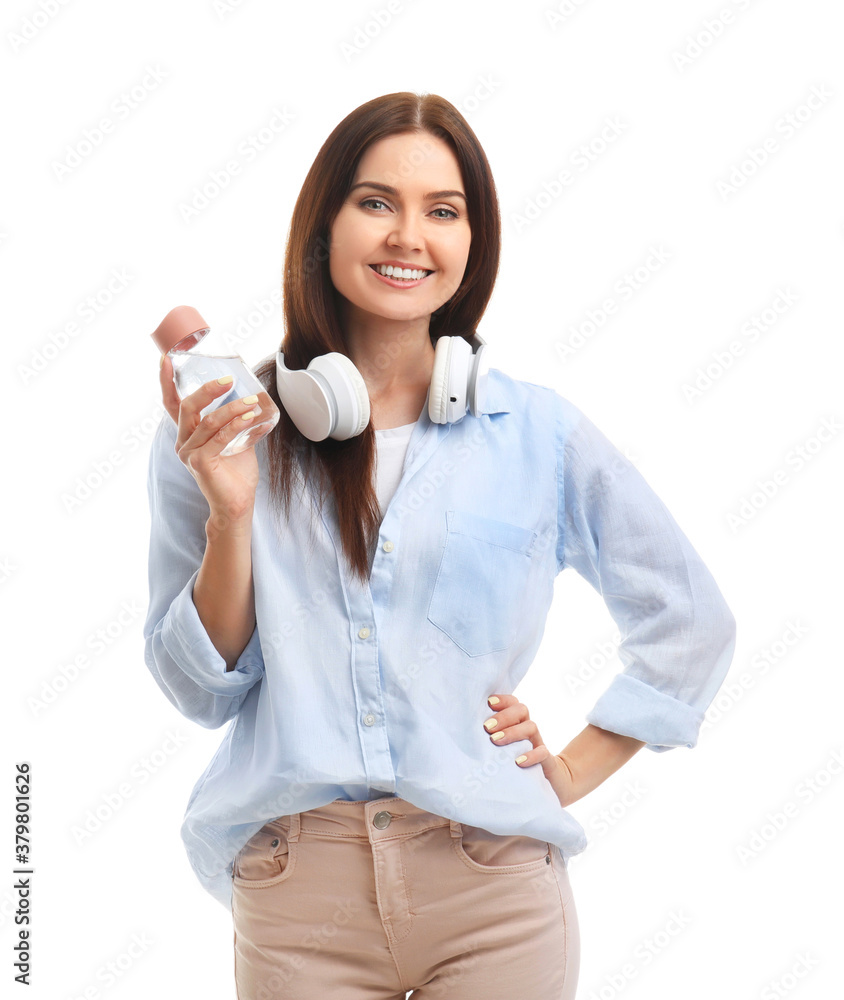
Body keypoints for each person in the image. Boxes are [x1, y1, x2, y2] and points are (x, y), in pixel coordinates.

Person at [144, 91, 737, 1000]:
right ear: (324, 224)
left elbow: (689, 620)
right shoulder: (226, 429)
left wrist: (570, 770)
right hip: (298, 892)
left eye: (443, 211)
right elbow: (199, 689)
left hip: (494, 886)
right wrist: (232, 513)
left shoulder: (536, 434)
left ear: (473, 242)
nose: (407, 236)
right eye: (376, 202)